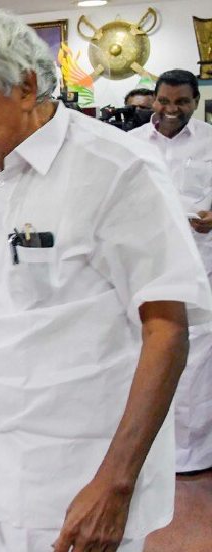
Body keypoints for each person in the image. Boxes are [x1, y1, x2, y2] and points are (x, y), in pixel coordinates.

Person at [0, 10, 211, 552]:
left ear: (26, 86)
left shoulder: (116, 167)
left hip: (65, 477)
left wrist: (115, 485)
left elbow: (167, 330)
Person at [130, 69, 212, 473]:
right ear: (154, 99)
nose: (171, 109)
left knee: (197, 363)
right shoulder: (129, 145)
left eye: (181, 102)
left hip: (201, 264)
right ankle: (148, 453)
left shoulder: (211, 142)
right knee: (145, 356)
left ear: (195, 102)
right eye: (165, 101)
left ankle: (194, 454)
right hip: (145, 268)